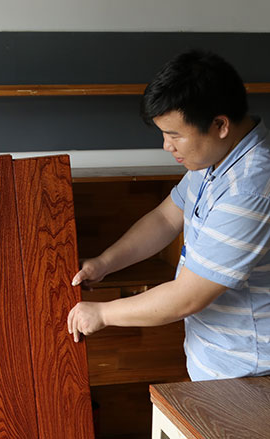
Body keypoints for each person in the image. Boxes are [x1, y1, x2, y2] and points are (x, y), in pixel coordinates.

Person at [67, 50, 270, 382]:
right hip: (218, 363)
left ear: (220, 125)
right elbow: (166, 218)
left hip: (249, 374)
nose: (166, 145)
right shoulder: (216, 158)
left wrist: (103, 313)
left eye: (175, 135)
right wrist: (104, 263)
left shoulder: (249, 188)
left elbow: (188, 296)